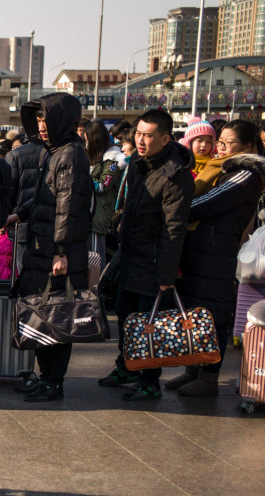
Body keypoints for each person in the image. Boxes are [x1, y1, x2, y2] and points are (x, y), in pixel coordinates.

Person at [98, 109, 194, 401]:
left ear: (165, 138)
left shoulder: (175, 174)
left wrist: (166, 274)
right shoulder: (140, 163)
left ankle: (150, 380)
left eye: (148, 135)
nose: (141, 140)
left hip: (153, 261)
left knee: (148, 324)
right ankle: (126, 366)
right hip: (130, 253)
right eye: (138, 133)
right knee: (126, 314)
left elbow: (174, 229)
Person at [169, 120, 265, 396]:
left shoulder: (247, 173)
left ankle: (209, 377)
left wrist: (174, 208)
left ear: (247, 146)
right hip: (201, 250)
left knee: (213, 313)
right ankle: (193, 369)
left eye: (226, 143)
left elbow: (205, 204)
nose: (219, 147)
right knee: (194, 312)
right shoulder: (219, 169)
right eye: (218, 141)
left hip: (217, 252)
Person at [13, 93, 93, 402]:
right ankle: (45, 376)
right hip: (43, 247)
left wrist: (61, 252)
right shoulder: (55, 152)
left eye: (46, 119)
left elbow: (68, 206)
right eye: (38, 119)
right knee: (42, 313)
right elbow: (45, 198)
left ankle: (54, 382)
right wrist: (18, 214)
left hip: (57, 251)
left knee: (59, 316)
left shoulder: (71, 154)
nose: (40, 125)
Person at [85, 119, 127, 268]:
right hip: (91, 214)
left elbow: (103, 186)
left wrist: (84, 180)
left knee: (96, 258)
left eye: (87, 140)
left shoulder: (112, 161)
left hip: (99, 214)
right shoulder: (97, 160)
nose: (86, 144)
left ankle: (97, 288)